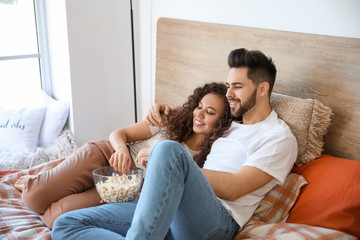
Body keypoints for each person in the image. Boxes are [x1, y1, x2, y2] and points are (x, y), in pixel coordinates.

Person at [51, 48, 298, 240]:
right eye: (228, 85)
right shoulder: (228, 123)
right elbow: (195, 115)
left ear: (263, 88)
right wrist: (162, 110)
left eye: (238, 86)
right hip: (167, 206)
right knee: (66, 224)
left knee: (167, 149)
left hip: (216, 222)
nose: (229, 93)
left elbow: (234, 188)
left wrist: (169, 165)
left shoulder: (277, 138)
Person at [15, 82, 231, 229]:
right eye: (199, 106)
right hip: (104, 156)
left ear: (222, 122)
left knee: (57, 219)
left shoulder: (208, 159)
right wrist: (121, 150)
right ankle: (41, 183)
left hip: (126, 188)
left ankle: (47, 183)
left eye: (210, 112)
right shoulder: (170, 120)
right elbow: (119, 134)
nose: (199, 114)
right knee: (32, 197)